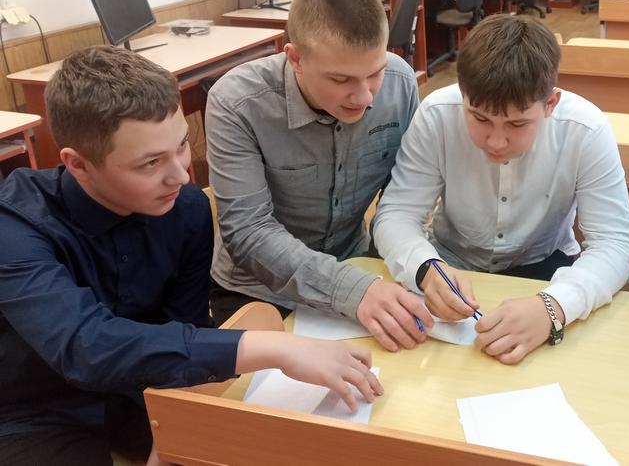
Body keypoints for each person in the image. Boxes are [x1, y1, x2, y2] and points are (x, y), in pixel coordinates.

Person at [0, 46, 382, 466]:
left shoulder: (186, 209)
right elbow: (86, 347)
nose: (182, 176)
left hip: (141, 387)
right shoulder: (15, 224)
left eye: (182, 145)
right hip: (35, 409)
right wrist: (277, 348)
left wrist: (174, 426)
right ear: (78, 165)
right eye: (150, 163)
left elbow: (185, 327)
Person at [373, 14, 629, 364]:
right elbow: (396, 213)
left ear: (551, 104)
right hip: (449, 265)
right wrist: (424, 267)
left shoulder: (585, 130)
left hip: (545, 269)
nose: (496, 141)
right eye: (480, 118)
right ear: (463, 94)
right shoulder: (437, 114)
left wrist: (555, 306)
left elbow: (617, 243)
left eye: (517, 124)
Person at [205, 0, 433, 351]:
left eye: (374, 72)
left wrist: (419, 262)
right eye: (341, 80)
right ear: (295, 58)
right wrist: (352, 290)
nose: (365, 97)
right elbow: (248, 231)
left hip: (357, 267)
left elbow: (400, 198)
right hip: (260, 291)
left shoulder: (400, 82)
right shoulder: (236, 103)